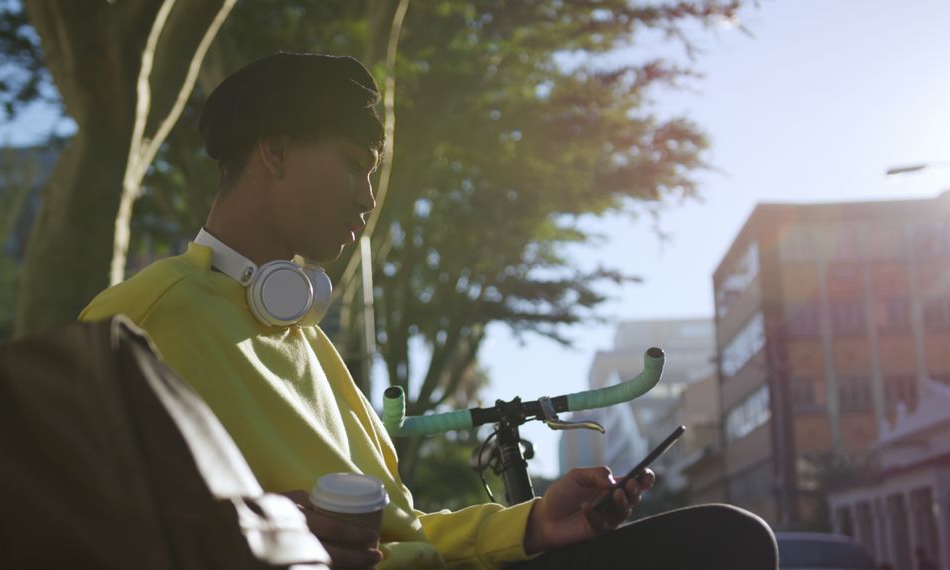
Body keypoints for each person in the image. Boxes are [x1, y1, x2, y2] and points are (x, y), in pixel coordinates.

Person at [80, 52, 778, 569]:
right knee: (726, 544)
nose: (366, 198)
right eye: (355, 164)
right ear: (276, 152)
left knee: (729, 538)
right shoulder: (141, 320)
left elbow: (406, 533)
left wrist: (532, 526)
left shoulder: (315, 350)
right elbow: (82, 530)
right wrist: (271, 526)